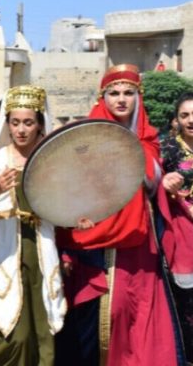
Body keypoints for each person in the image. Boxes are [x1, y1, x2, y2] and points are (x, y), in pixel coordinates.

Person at [55, 64, 179, 366]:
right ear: (103, 97)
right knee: (106, 312)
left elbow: (152, 183)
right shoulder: (86, 138)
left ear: (138, 97)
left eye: (128, 93)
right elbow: (69, 189)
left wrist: (161, 180)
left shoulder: (149, 140)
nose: (121, 99)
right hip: (96, 239)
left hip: (140, 241)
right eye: (114, 93)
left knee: (139, 306)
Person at [0, 85, 66, 366]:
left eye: (28, 123)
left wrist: (76, 219)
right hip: (5, 252)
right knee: (12, 331)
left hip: (41, 250)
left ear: (39, 124)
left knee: (42, 327)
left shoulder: (49, 160)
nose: (21, 130)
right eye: (15, 122)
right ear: (7, 123)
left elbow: (65, 206)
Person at [159, 91, 193, 363]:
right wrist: (165, 184)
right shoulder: (166, 149)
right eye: (185, 115)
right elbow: (151, 188)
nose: (191, 120)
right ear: (176, 120)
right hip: (184, 232)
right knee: (188, 306)